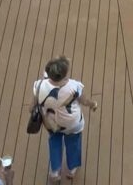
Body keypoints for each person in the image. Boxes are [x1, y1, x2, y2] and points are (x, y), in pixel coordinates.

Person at [33, 55, 97, 183]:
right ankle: (72, 168)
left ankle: (55, 170)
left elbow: (31, 108)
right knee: (73, 143)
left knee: (54, 143)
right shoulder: (74, 86)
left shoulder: (39, 86)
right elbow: (84, 101)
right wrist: (93, 104)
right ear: (64, 74)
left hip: (52, 123)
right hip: (72, 124)